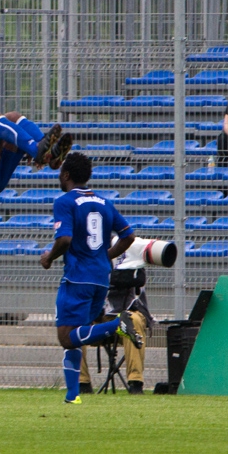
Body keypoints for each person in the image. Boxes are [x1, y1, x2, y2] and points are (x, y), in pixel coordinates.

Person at [39, 151, 142, 404]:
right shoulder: (105, 203)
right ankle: (73, 395)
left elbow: (64, 239)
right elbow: (128, 236)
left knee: (65, 336)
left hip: (78, 277)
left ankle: (117, 325)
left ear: (65, 175)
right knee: (76, 336)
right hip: (101, 278)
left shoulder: (65, 201)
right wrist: (106, 255)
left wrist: (49, 257)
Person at [79, 265, 152, 395]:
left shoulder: (133, 255)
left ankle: (135, 382)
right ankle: (82, 383)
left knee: (133, 320)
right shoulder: (91, 257)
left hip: (128, 313)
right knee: (73, 322)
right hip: (97, 318)